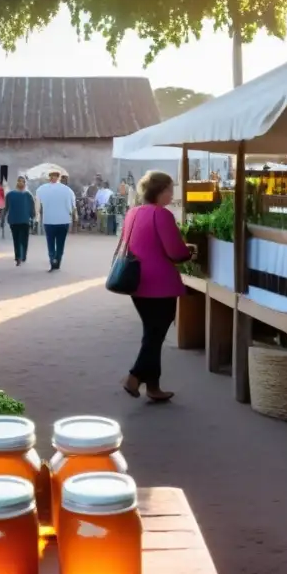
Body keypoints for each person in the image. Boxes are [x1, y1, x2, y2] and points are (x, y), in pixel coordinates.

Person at [118, 171, 191, 402]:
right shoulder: (162, 215)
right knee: (155, 335)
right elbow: (175, 252)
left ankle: (153, 386)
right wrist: (189, 251)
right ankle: (134, 376)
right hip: (160, 285)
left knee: (152, 334)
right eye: (170, 188)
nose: (172, 193)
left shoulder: (133, 212)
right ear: (160, 191)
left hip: (136, 281)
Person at [36, 170, 76, 271]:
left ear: (49, 177)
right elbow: (73, 206)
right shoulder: (68, 190)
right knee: (60, 243)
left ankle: (52, 259)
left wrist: (37, 217)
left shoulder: (41, 189)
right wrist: (74, 216)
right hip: (64, 220)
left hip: (49, 220)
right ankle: (57, 261)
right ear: (58, 177)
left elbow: (38, 206)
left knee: (50, 242)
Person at [4, 176, 35, 266]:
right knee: (17, 239)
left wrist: (33, 219)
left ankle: (22, 256)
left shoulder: (28, 195)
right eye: (20, 181)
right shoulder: (10, 195)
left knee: (24, 239)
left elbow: (32, 209)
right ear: (17, 182)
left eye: (23, 181)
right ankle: (19, 257)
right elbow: (6, 208)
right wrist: (2, 219)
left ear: (25, 183)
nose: (21, 183)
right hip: (14, 220)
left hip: (25, 220)